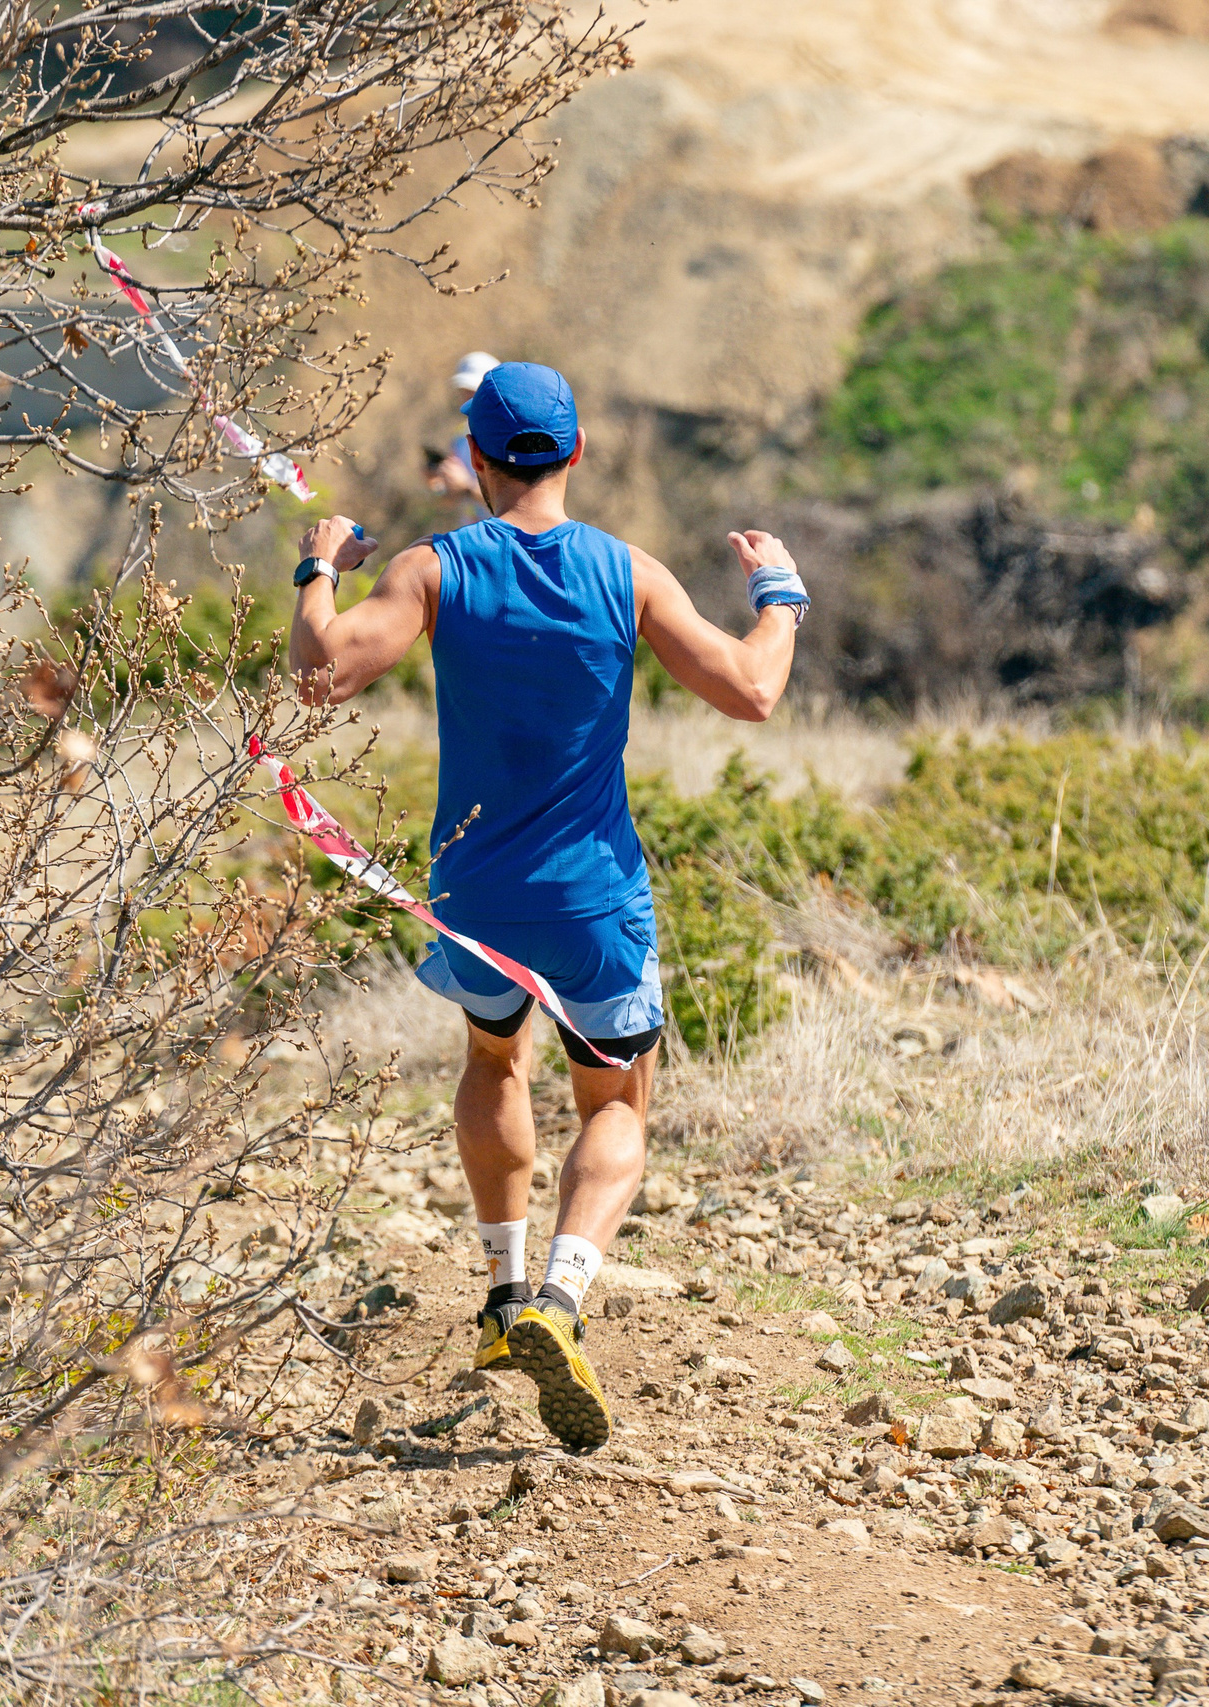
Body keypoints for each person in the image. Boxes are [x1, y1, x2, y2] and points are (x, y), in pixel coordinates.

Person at [287, 361, 812, 1452]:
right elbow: (753, 690)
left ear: (473, 461)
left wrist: (318, 567)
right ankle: (559, 1305)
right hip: (593, 901)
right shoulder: (627, 573)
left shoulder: (434, 569)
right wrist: (782, 595)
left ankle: (499, 1290)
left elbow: (320, 673)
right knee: (616, 1103)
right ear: (573, 455)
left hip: (474, 893)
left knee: (492, 1063)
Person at [425, 351, 499, 503]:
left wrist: (468, 487)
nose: (468, 397)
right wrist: (436, 484)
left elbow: (512, 505)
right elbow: (452, 499)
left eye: (474, 390)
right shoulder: (461, 435)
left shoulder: (506, 435)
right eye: (464, 391)